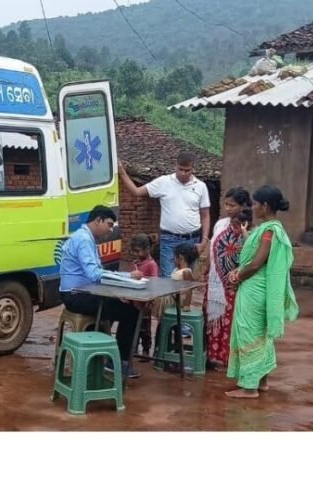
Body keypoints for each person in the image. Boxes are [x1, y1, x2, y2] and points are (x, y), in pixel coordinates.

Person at [225, 185, 299, 399]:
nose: (253, 207)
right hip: (260, 288)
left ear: (265, 206)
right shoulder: (270, 229)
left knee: (249, 333)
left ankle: (249, 387)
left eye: (256, 204)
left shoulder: (268, 231)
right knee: (262, 335)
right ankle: (263, 381)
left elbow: (257, 263)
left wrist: (238, 275)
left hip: (255, 290)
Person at [59, 206, 144, 378]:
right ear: (98, 221)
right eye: (109, 224)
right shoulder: (84, 239)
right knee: (130, 312)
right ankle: (118, 362)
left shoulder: (86, 237)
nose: (111, 230)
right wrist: (126, 277)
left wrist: (123, 279)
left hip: (82, 292)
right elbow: (95, 274)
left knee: (116, 305)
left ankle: (100, 352)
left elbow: (96, 273)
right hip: (76, 296)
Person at [118, 152, 211, 278]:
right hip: (169, 239)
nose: (183, 173)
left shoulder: (200, 186)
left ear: (192, 169)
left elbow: (205, 215)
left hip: (192, 240)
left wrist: (204, 241)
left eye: (187, 170)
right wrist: (122, 172)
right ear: (175, 166)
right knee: (168, 278)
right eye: (180, 169)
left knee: (188, 278)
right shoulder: (164, 182)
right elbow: (136, 191)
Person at [205, 187, 252, 369]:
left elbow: (250, 255)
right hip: (216, 282)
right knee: (214, 318)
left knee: (232, 321)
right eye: (225, 204)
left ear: (243, 206)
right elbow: (212, 250)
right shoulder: (220, 224)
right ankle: (213, 356)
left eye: (232, 205)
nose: (227, 208)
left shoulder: (249, 228)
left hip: (235, 283)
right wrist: (207, 270)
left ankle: (230, 360)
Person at [129, 234, 159, 358]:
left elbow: (154, 282)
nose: (136, 254)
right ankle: (134, 349)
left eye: (138, 251)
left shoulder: (151, 264)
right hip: (134, 301)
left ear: (147, 249)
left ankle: (146, 350)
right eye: (134, 251)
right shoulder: (135, 264)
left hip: (145, 302)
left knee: (145, 328)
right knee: (133, 326)